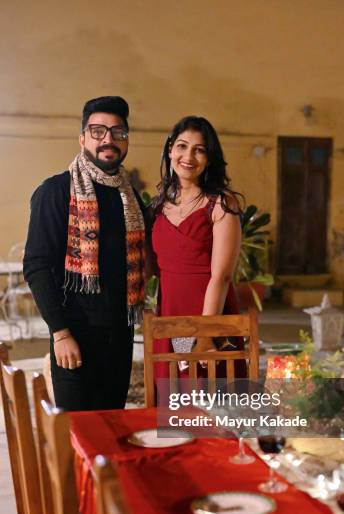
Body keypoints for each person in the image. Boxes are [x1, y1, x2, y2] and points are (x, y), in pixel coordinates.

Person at [23, 96, 145, 411]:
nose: (109, 139)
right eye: (98, 131)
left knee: (113, 428)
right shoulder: (56, 191)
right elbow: (37, 266)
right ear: (82, 138)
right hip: (74, 334)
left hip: (120, 336)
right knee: (78, 432)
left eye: (118, 132)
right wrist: (60, 333)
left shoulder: (131, 200)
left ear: (126, 141)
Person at [151, 115, 244, 382]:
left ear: (209, 158)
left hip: (209, 315)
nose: (188, 156)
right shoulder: (157, 207)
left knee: (212, 403)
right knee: (172, 404)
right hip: (170, 314)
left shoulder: (221, 204)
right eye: (182, 146)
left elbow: (222, 276)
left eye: (199, 149)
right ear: (170, 150)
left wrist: (205, 335)